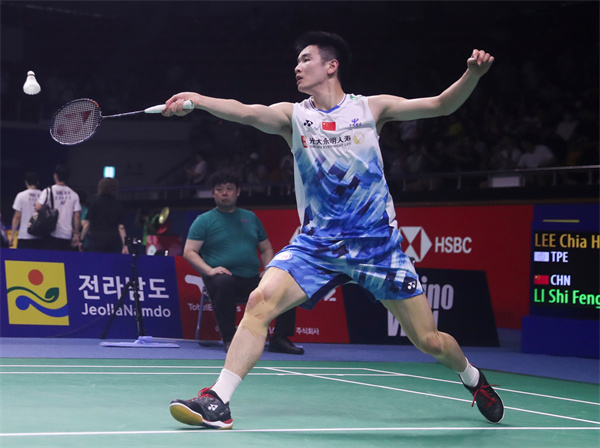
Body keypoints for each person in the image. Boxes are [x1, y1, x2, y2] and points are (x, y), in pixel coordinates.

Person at [164, 31, 503, 429]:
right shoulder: (294, 117)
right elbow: (247, 112)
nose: (297, 67)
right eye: (297, 61)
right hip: (318, 245)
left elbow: (441, 105)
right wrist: (200, 100)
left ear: (331, 65)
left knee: (430, 341)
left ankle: (473, 378)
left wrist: (472, 76)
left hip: (377, 248)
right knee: (260, 301)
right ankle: (218, 400)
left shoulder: (371, 109)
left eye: (306, 59)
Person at [184, 170, 303, 355]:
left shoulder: (251, 218)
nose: (224, 193)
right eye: (219, 189)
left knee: (286, 285)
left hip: (252, 278)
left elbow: (266, 248)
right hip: (221, 278)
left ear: (238, 192)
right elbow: (189, 251)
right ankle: (230, 339)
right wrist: (209, 270)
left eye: (229, 188)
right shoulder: (204, 221)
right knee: (223, 282)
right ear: (213, 193)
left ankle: (280, 338)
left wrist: (269, 270)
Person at [36, 164, 82, 251]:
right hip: (67, 234)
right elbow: (77, 216)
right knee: (64, 257)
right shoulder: (74, 194)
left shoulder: (48, 191)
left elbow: (38, 207)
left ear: (55, 176)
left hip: (51, 231)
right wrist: (76, 234)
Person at [85, 178, 129, 254]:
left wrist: (81, 239)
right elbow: (121, 227)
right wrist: (125, 245)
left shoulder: (94, 204)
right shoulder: (118, 206)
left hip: (96, 238)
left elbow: (87, 224)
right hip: (112, 239)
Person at [9, 171, 42, 249]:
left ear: (26, 182)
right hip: (39, 236)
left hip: (24, 235)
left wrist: (12, 236)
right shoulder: (43, 195)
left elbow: (17, 216)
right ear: (38, 182)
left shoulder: (21, 196)